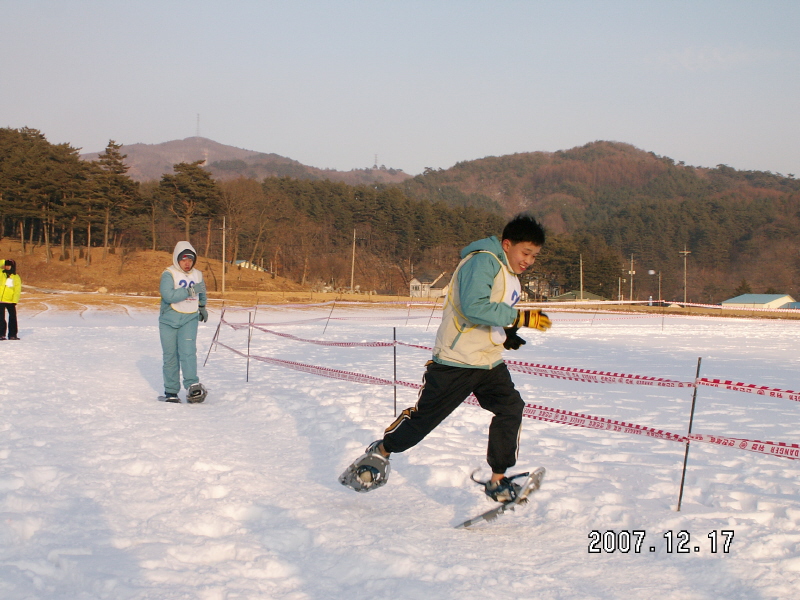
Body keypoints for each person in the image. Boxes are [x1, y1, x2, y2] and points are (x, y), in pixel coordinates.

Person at [341, 212, 551, 501]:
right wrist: (519, 318)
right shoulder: (483, 261)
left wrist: (506, 332)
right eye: (525, 252)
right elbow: (473, 307)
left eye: (535, 256)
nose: (529, 260)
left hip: (487, 361)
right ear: (506, 244)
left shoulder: (508, 272)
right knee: (424, 420)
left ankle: (498, 480)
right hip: (456, 360)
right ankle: (381, 451)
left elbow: (492, 308)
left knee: (510, 408)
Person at [159, 241, 209, 403]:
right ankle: (171, 391)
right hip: (169, 319)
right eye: (183, 259)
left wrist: (202, 306)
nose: (187, 263)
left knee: (188, 352)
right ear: (177, 259)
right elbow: (169, 296)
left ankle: (192, 386)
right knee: (170, 356)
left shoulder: (198, 274)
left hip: (189, 317)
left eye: (190, 260)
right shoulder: (169, 274)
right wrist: (190, 291)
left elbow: (202, 291)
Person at [0, 259, 21, 340]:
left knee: (12, 317)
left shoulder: (16, 277)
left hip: (10, 301)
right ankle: (1, 334)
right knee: (0, 318)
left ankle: (12, 335)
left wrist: (15, 300)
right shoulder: (1, 273)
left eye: (9, 265)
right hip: (0, 300)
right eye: (6, 265)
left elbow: (17, 289)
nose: (7, 267)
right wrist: (4, 261)